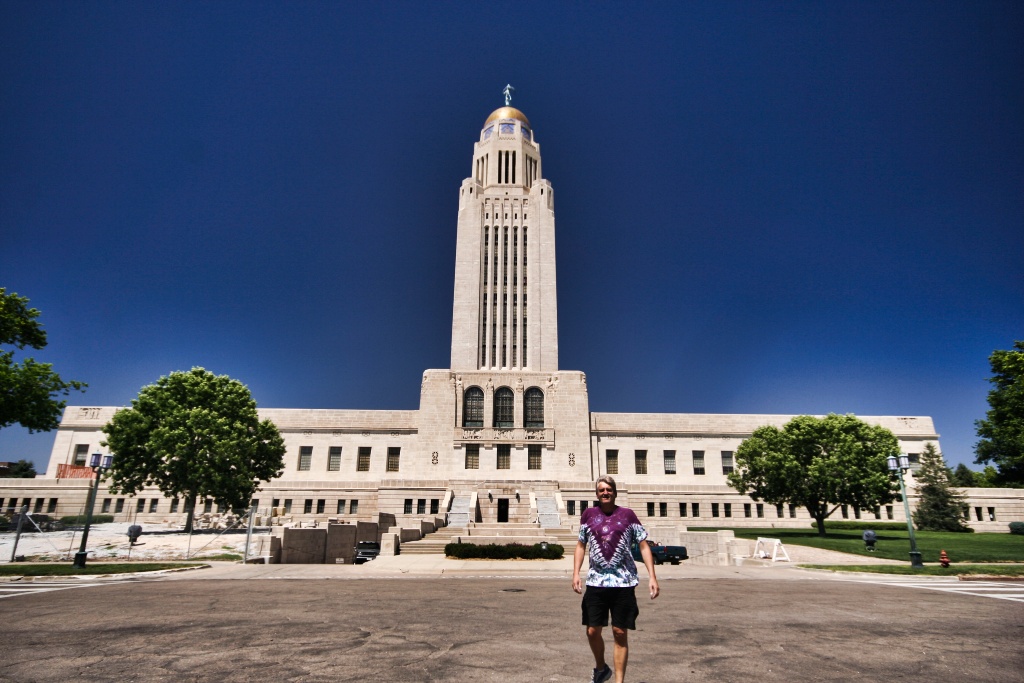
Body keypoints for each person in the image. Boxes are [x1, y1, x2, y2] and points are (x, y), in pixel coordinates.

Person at [572, 476, 659, 683]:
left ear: (615, 492)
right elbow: (581, 545)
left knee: (620, 632)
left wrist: (652, 577)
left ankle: (619, 681)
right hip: (596, 582)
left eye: (608, 489)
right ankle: (601, 668)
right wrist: (575, 573)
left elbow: (644, 546)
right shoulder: (588, 515)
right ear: (596, 494)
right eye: (601, 489)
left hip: (623, 583)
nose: (605, 492)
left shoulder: (628, 515)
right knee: (593, 631)